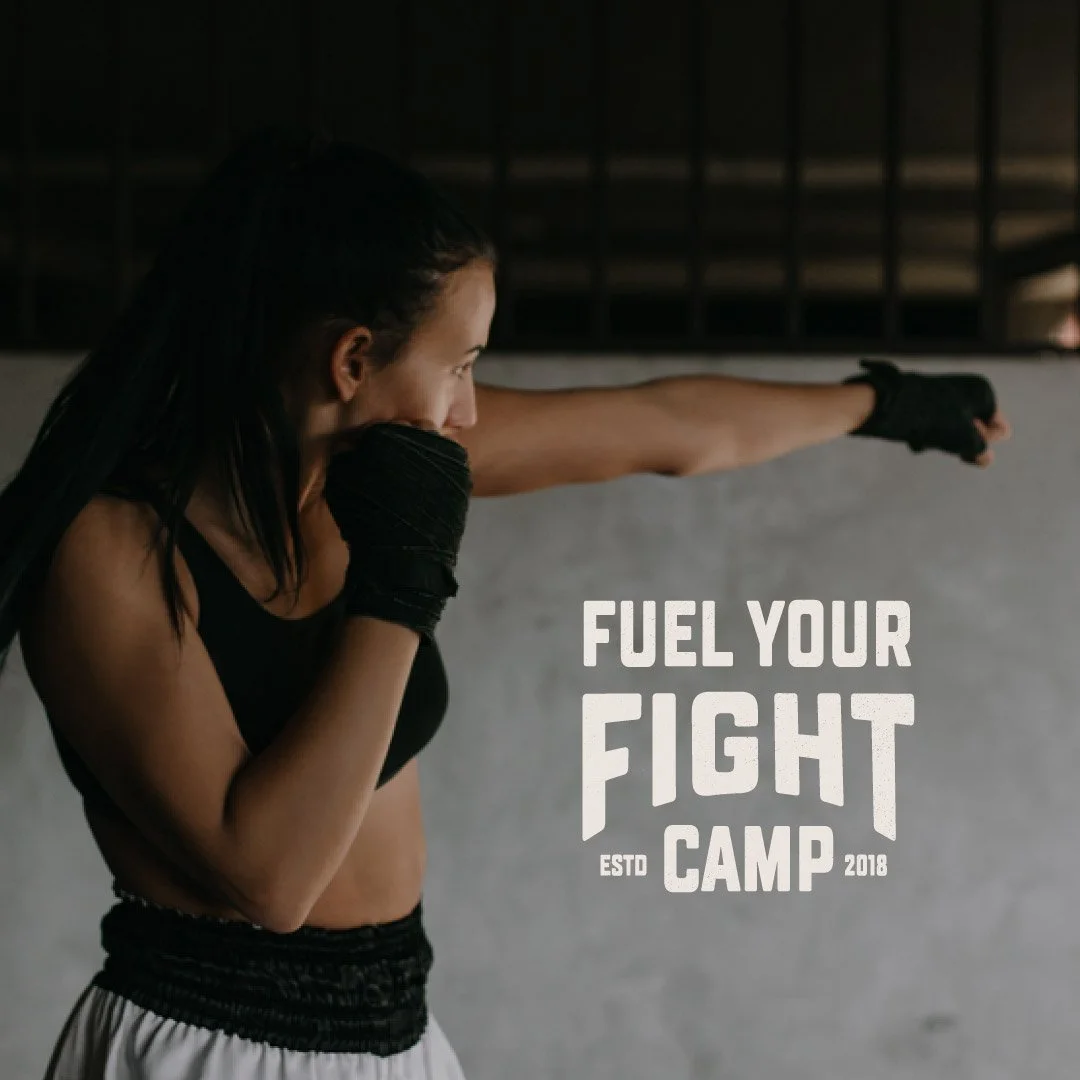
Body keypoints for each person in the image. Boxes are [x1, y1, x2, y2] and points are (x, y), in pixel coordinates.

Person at [0, 129, 1011, 1080]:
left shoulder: (373, 476)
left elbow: (666, 427)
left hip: (396, 1039)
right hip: (212, 1047)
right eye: (461, 364)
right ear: (352, 359)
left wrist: (887, 406)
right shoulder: (113, 549)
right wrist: (400, 588)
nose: (470, 408)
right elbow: (271, 880)